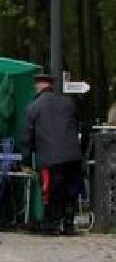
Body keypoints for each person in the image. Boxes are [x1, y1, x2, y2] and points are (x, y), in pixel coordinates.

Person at [23, 72, 83, 236]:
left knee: (51, 191)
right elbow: (77, 125)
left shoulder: (33, 107)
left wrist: (27, 160)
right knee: (70, 189)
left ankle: (52, 224)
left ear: (38, 86)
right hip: (72, 155)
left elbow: (28, 136)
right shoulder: (69, 102)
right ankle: (69, 224)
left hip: (50, 157)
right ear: (51, 86)